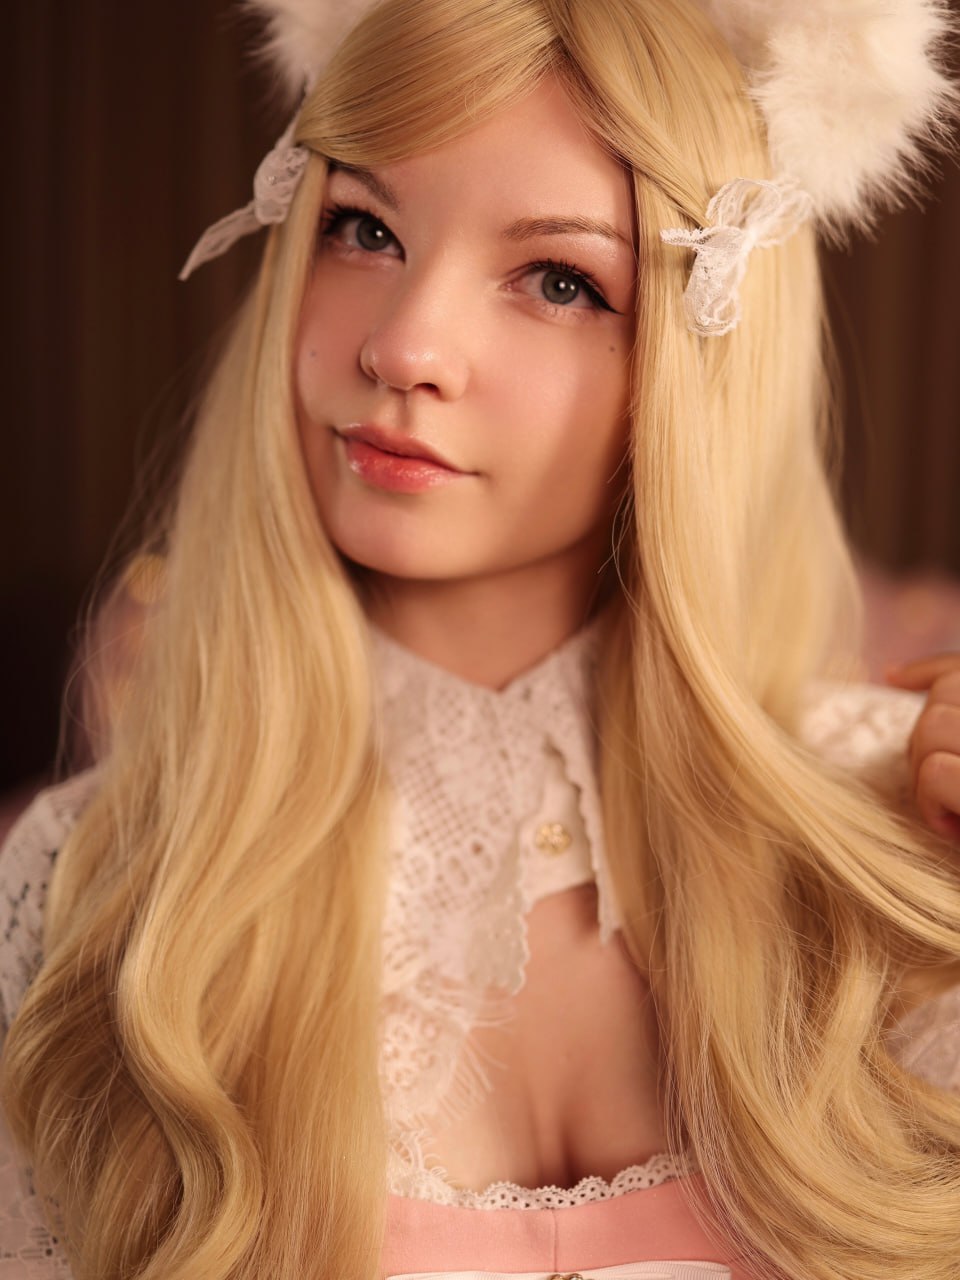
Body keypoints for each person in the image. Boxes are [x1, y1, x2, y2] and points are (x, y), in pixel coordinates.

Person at [1, 0, 960, 1277]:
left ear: (698, 358)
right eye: (365, 228)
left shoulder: (902, 834)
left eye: (558, 279)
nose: (403, 345)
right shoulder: (89, 884)